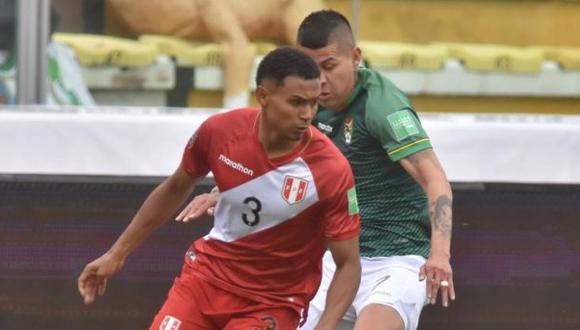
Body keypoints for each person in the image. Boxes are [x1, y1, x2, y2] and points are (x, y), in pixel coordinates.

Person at [178, 10, 455, 330]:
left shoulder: (381, 106)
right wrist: (220, 190)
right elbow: (270, 153)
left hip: (398, 259)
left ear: (355, 58)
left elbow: (435, 179)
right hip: (337, 259)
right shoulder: (305, 99)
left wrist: (440, 255)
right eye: (312, 68)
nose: (321, 79)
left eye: (329, 66)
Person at [77, 47, 362, 330]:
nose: (307, 114)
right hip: (204, 282)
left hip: (271, 303)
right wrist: (116, 254)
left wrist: (326, 325)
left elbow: (348, 263)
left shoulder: (330, 169)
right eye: (297, 102)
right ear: (263, 96)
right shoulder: (220, 131)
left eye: (313, 104)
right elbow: (175, 187)